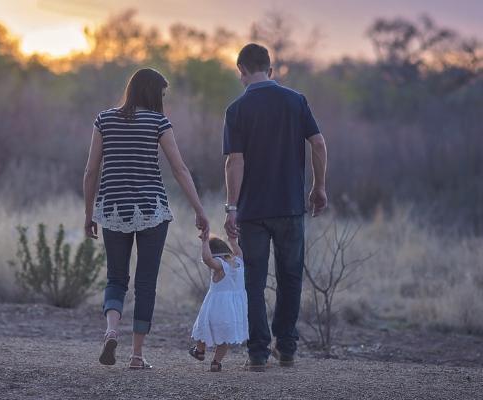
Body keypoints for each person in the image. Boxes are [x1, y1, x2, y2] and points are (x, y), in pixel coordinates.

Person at [83, 68, 209, 370]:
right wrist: (199, 210)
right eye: (162, 94)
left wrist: (89, 214)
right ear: (153, 93)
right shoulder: (158, 122)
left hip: (113, 210)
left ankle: (112, 330)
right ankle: (137, 356)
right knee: (146, 283)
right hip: (152, 210)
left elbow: (90, 172)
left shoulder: (104, 120)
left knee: (116, 278)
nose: (163, 100)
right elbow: (179, 170)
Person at [222, 43, 328, 371]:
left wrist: (231, 207)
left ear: (241, 71)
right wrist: (318, 186)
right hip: (290, 206)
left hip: (253, 211)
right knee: (290, 277)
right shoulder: (295, 101)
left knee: (253, 281)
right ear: (270, 69)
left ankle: (257, 353)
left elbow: (234, 162)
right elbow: (319, 143)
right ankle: (287, 348)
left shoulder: (236, 109)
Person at [189, 235, 248, 372]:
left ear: (215, 254)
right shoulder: (238, 261)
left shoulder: (220, 266)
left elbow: (207, 259)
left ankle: (200, 350)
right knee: (225, 337)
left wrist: (204, 242)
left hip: (216, 307)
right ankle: (216, 362)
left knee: (204, 327)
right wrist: (233, 241)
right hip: (234, 310)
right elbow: (239, 252)